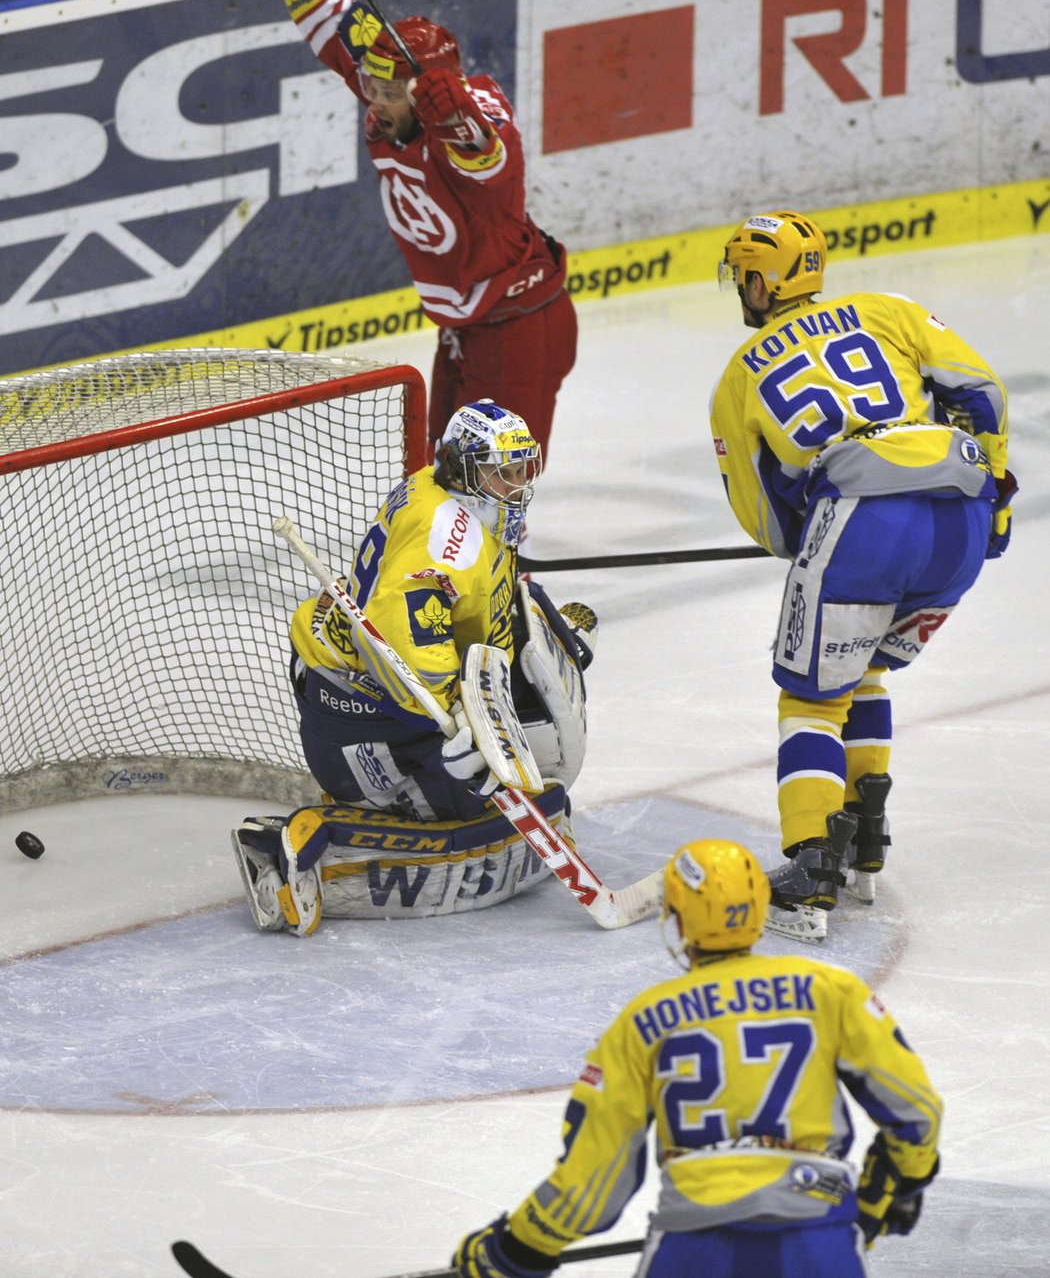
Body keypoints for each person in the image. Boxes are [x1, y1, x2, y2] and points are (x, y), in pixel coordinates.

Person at [709, 211, 1015, 942]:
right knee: (867, 670)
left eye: (742, 274)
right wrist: (995, 496)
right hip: (962, 513)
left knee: (812, 700)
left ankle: (811, 876)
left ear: (761, 280)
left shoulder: (739, 376)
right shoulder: (889, 310)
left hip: (862, 524)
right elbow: (984, 394)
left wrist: (817, 542)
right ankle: (865, 844)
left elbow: (764, 517)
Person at [451, 838, 942, 1277]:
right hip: (815, 1241)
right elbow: (917, 1112)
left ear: (678, 917)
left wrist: (517, 1249)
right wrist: (894, 1184)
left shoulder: (642, 1022)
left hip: (693, 1249)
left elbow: (594, 1183)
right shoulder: (830, 990)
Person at [209, 0, 577, 461]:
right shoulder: (392, 85)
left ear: (419, 91)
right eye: (371, 88)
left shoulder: (470, 111)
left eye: (385, 93)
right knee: (440, 460)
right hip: (469, 321)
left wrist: (457, 121)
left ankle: (499, 548)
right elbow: (333, 22)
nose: (372, 102)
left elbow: (494, 162)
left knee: (494, 475)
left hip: (518, 325)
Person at [231, 399, 597, 933]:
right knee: (473, 812)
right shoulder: (446, 538)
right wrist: (456, 711)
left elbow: (471, 595)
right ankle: (298, 845)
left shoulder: (449, 492)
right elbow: (408, 645)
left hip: (374, 688)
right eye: (503, 473)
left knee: (515, 764)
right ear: (463, 468)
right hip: (364, 715)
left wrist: (529, 632)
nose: (518, 485)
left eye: (522, 471)